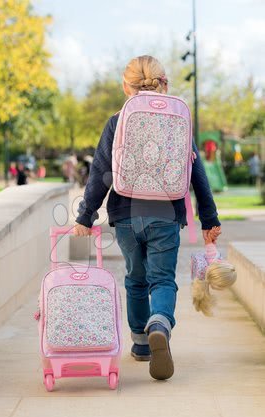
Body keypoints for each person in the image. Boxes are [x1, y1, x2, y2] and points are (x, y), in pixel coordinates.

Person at [74, 55, 221, 380]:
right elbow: (196, 171)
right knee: (163, 280)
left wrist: (86, 215)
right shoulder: (177, 121)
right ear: (163, 82)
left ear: (125, 86)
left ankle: (141, 345)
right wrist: (209, 218)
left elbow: (101, 171)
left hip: (125, 216)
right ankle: (160, 324)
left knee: (135, 279)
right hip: (165, 214)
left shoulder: (118, 120)